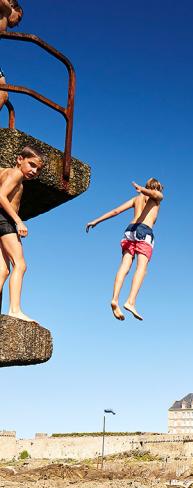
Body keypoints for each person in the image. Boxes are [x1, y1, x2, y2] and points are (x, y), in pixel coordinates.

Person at [86, 178, 164, 321]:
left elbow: (116, 211)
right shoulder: (157, 198)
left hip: (129, 232)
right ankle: (130, 301)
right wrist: (144, 189)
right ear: (158, 188)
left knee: (124, 267)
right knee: (141, 268)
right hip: (144, 232)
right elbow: (156, 195)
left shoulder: (136, 199)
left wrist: (96, 220)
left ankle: (114, 299)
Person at [0, 144, 44, 322]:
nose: (34, 171)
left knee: (3, 270)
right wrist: (18, 221)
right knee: (20, 264)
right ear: (20, 159)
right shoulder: (16, 174)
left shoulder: (5, 171)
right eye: (31, 164)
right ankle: (15, 309)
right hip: (5, 220)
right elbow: (1, 195)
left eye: (38, 169)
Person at [0, 2, 24, 114]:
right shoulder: (7, 8)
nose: (17, 23)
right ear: (14, 8)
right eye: (19, 18)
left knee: (3, 94)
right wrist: (8, 5)